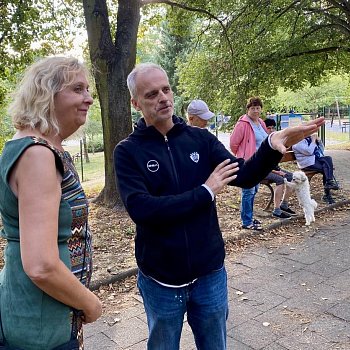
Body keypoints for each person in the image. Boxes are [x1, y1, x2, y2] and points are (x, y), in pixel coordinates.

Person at [113, 62, 324, 350]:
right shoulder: (127, 151)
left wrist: (273, 145)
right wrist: (206, 191)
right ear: (135, 102)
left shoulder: (200, 139)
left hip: (209, 273)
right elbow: (144, 210)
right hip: (160, 279)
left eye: (166, 89)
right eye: (151, 94)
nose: (162, 98)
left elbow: (246, 175)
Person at [0, 56, 102, 349]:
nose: (89, 99)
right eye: (78, 89)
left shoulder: (38, 148)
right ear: (47, 93)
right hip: (40, 323)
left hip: (42, 313)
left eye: (88, 89)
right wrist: (91, 304)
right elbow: (42, 265)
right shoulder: (37, 155)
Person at [230, 98, 293, 232]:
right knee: (248, 191)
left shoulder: (261, 123)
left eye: (258, 108)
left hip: (261, 164)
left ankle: (250, 217)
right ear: (248, 109)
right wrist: (244, 156)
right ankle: (246, 222)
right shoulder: (242, 124)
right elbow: (233, 144)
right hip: (248, 164)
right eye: (253, 108)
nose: (255, 111)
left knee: (254, 191)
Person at [292, 133, 339, 204]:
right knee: (326, 168)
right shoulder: (297, 143)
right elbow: (309, 151)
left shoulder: (308, 139)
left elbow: (321, 149)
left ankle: (329, 184)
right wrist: (313, 140)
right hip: (306, 164)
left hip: (314, 161)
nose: (310, 133)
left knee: (328, 160)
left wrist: (319, 141)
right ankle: (327, 193)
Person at [264, 118, 296, 218]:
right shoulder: (263, 142)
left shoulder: (274, 140)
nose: (271, 130)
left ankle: (284, 204)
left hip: (274, 168)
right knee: (280, 180)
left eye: (273, 128)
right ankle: (276, 210)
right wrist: (277, 172)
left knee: (292, 177)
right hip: (263, 170)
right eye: (268, 128)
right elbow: (264, 164)